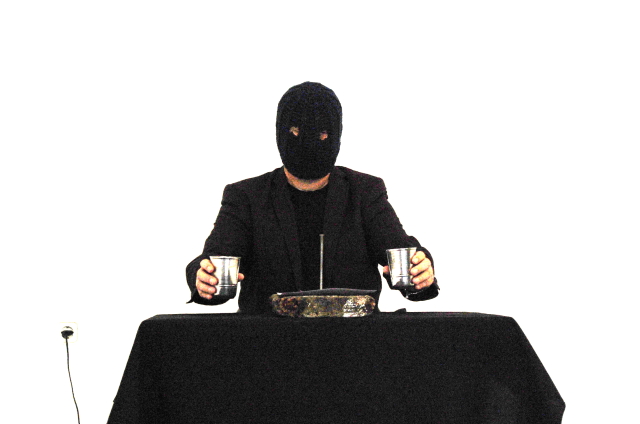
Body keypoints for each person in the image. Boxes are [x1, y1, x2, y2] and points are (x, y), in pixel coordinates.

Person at [186, 81, 439, 314]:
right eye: (296, 131)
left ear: (337, 134)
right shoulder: (246, 197)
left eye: (322, 134)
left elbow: (401, 251)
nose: (309, 143)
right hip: (267, 342)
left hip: (354, 342)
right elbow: (212, 260)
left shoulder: (365, 192)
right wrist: (203, 278)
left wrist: (421, 271)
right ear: (280, 132)